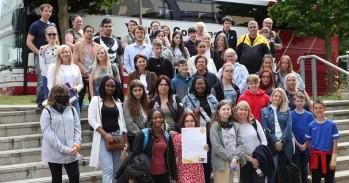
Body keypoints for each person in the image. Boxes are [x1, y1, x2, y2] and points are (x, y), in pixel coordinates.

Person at [118, 109, 178, 183]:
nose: (158, 119)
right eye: (155, 118)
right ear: (150, 120)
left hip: (164, 175)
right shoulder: (143, 135)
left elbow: (171, 157)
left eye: (160, 117)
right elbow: (134, 155)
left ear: (163, 119)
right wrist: (131, 176)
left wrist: (174, 177)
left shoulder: (167, 136)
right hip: (147, 176)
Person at [88, 75, 128, 183]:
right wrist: (105, 134)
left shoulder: (118, 101)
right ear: (103, 86)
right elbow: (91, 120)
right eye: (108, 86)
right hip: (102, 138)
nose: (110, 88)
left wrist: (125, 140)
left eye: (113, 86)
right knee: (108, 169)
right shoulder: (96, 100)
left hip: (117, 137)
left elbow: (122, 122)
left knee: (116, 169)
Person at [40, 84, 81, 183]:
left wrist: (76, 144)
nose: (62, 97)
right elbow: (48, 134)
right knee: (57, 179)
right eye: (59, 95)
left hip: (72, 151)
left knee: (75, 177)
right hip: (54, 152)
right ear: (53, 96)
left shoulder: (72, 110)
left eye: (65, 95)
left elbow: (77, 129)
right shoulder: (47, 112)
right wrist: (64, 149)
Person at [182, 76, 218, 183]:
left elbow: (217, 114)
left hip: (208, 134)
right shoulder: (187, 98)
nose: (200, 86)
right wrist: (193, 112)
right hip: (194, 135)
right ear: (194, 85)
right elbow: (183, 115)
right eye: (197, 83)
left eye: (202, 83)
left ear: (206, 85)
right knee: (195, 163)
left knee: (207, 163)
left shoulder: (212, 98)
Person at [26, 3, 56, 111]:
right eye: (46, 11)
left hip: (53, 56)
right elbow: (28, 42)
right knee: (41, 80)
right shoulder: (35, 25)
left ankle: (52, 101)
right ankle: (40, 103)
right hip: (41, 57)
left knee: (54, 79)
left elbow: (56, 40)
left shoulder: (52, 25)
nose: (48, 13)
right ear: (41, 11)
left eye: (50, 11)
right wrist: (39, 52)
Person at [261, 88, 294, 183]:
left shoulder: (287, 110)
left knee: (286, 169)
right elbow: (266, 129)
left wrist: (282, 141)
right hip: (272, 144)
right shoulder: (264, 111)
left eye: (280, 97)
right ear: (271, 97)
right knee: (273, 170)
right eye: (275, 96)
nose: (277, 98)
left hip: (286, 143)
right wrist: (276, 142)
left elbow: (289, 127)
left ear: (282, 99)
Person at [210, 100, 245, 183]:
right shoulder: (214, 126)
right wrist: (230, 158)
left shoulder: (236, 125)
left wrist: (235, 157)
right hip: (221, 162)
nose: (226, 111)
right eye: (223, 109)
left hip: (235, 160)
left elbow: (241, 144)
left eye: (228, 109)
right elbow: (217, 146)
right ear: (218, 111)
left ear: (231, 110)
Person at [306, 100, 339, 183]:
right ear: (313, 110)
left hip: (329, 157)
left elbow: (335, 143)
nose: (318, 110)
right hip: (316, 158)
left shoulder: (332, 124)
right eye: (316, 108)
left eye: (321, 108)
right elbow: (308, 142)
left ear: (324, 109)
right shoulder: (311, 125)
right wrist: (312, 156)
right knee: (315, 180)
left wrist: (333, 160)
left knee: (329, 180)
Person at [235, 101, 268, 183]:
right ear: (236, 111)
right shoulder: (234, 126)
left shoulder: (254, 123)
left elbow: (264, 141)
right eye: (241, 109)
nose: (243, 111)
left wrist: (257, 157)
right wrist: (250, 159)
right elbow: (234, 146)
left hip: (258, 159)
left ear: (249, 111)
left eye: (246, 110)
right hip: (244, 161)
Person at [47, 45, 83, 117]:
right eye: (62, 52)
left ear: (70, 53)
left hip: (73, 98)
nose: (65, 54)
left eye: (67, 52)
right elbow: (50, 84)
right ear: (59, 55)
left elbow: (80, 83)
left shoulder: (75, 67)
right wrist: (56, 94)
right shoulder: (54, 67)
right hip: (59, 99)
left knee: (76, 120)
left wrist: (76, 89)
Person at [172, 111, 206, 183]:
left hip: (198, 170)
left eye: (192, 121)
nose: (189, 123)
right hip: (184, 171)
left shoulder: (200, 136)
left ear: (195, 122)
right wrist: (173, 175)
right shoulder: (178, 137)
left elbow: (202, 155)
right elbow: (174, 156)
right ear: (183, 123)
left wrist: (206, 148)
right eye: (187, 121)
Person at [73, 25, 101, 108]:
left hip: (94, 75)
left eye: (91, 31)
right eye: (87, 31)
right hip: (81, 74)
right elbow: (76, 60)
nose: (89, 33)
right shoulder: (77, 45)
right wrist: (87, 72)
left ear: (94, 33)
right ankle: (77, 118)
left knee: (94, 97)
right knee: (79, 97)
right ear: (84, 33)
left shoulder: (98, 46)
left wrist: (92, 74)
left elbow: (99, 61)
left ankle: (94, 117)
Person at [291, 92, 314, 183]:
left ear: (304, 102)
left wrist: (305, 144)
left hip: (306, 145)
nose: (300, 103)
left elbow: (312, 130)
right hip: (295, 145)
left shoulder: (309, 115)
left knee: (304, 168)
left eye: (301, 101)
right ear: (294, 102)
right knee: (296, 167)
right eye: (298, 101)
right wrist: (297, 144)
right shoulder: (291, 114)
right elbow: (290, 131)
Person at [123, 80, 149, 150]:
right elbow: (129, 122)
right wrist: (142, 134)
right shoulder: (127, 102)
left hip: (144, 134)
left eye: (140, 90)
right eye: (135, 90)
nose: (138, 93)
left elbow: (146, 119)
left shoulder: (144, 100)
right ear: (131, 91)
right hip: (134, 136)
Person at [39, 25, 60, 99]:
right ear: (46, 36)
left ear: (57, 35)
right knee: (48, 97)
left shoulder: (60, 48)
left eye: (54, 34)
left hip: (59, 76)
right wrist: (49, 76)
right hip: (46, 76)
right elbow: (42, 65)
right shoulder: (42, 49)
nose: (52, 36)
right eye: (49, 34)